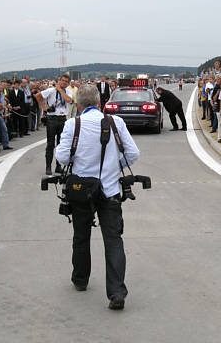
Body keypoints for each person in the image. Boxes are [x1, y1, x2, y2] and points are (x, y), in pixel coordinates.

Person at [55, 84, 140, 310]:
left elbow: (63, 158)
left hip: (81, 191)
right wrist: (114, 166)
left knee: (81, 236)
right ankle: (116, 292)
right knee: (113, 240)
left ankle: (80, 279)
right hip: (110, 190)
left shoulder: (73, 124)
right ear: (99, 102)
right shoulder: (115, 122)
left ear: (78, 105)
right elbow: (133, 154)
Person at [35, 74, 73, 175]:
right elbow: (38, 96)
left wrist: (60, 90)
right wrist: (44, 107)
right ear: (59, 80)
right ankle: (48, 166)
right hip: (52, 119)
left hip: (63, 119)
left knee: (61, 144)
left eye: (66, 81)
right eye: (62, 80)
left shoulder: (67, 91)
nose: (64, 82)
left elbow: (68, 100)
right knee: (50, 144)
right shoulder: (51, 90)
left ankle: (58, 166)